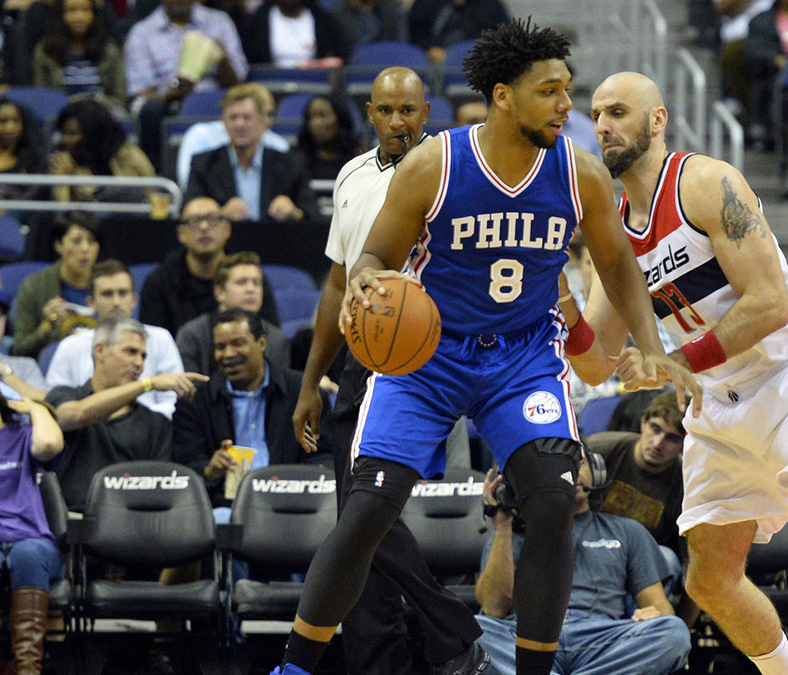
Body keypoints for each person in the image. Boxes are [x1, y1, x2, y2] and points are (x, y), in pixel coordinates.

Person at [274, 20, 697, 675]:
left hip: (522, 359)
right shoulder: (434, 164)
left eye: (569, 90)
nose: (566, 105)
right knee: (367, 511)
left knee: (555, 502)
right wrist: (368, 285)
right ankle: (295, 666)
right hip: (427, 359)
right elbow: (374, 257)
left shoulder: (579, 173)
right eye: (550, 91)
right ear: (503, 95)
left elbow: (618, 267)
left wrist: (651, 346)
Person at [578, 71, 788, 675]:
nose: (603, 126)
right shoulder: (611, 233)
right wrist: (564, 308)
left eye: (618, 112)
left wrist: (674, 361)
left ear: (657, 120)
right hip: (717, 403)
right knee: (708, 582)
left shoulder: (705, 182)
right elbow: (597, 361)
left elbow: (768, 304)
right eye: (595, 115)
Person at [289, 66, 492, 675]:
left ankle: (454, 634)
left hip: (423, 359)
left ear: (426, 113)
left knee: (363, 513)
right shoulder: (351, 174)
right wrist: (308, 383)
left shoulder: (453, 172)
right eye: (386, 110)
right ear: (371, 114)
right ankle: (387, 662)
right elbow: (335, 282)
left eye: (409, 111)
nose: (399, 122)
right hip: (360, 357)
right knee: (360, 528)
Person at [474, 454, 692, 675]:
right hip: (527, 636)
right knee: (475, 630)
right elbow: (494, 609)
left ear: (596, 470)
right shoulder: (510, 533)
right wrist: (502, 527)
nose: (570, 473)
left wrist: (655, 615)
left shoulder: (627, 531)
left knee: (674, 632)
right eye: (557, 466)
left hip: (603, 639)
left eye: (579, 463)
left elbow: (660, 607)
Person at [173, 308, 331, 511]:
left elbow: (326, 454)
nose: (228, 354)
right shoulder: (195, 400)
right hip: (224, 506)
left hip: (295, 502)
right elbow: (186, 465)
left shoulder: (304, 393)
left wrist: (301, 480)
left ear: (262, 343)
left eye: (238, 343)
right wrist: (209, 470)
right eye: (220, 347)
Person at [45, 316, 207, 509]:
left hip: (131, 527)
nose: (139, 363)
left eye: (143, 356)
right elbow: (75, 415)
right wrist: (148, 383)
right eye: (131, 352)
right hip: (70, 524)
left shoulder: (155, 423)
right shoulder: (63, 395)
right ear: (100, 350)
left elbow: (159, 491)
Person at [0, 362, 64, 674]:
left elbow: (49, 445)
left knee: (28, 553)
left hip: (31, 539)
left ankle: (28, 668)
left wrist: (34, 407)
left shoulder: (24, 436)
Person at [45, 260, 184, 418]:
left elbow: (174, 401)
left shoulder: (160, 338)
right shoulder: (70, 346)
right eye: (107, 294)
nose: (116, 302)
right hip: (88, 430)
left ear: (134, 300)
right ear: (91, 303)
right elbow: (57, 403)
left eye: (123, 293)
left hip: (150, 433)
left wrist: (137, 423)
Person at [123, 0, 249, 167]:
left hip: (217, 100)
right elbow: (140, 91)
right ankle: (158, 172)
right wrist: (177, 89)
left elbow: (238, 81)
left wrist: (220, 57)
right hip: (168, 104)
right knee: (151, 111)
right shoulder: (142, 32)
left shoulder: (219, 21)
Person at [139, 196, 281, 335]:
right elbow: (153, 344)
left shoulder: (250, 279)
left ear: (227, 229)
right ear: (181, 233)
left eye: (212, 219)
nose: (204, 227)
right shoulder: (159, 282)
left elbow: (271, 336)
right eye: (194, 221)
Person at [184, 83, 318, 223]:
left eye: (247, 117)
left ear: (264, 120)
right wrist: (218, 214)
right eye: (233, 117)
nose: (240, 124)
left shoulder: (292, 164)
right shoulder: (204, 164)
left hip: (277, 241)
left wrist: (294, 212)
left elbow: (315, 216)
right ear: (223, 122)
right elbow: (187, 213)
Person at [582, 390, 685, 554]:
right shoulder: (600, 449)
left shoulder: (685, 484)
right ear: (643, 422)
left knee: (668, 558)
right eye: (655, 428)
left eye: (672, 438)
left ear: (685, 444)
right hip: (587, 541)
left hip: (640, 557)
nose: (658, 443)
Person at [174, 251, 289, 374]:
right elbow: (190, 387)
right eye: (241, 282)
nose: (251, 289)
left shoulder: (276, 338)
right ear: (219, 293)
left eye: (256, 283)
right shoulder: (192, 334)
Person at [11, 212, 101, 358]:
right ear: (59, 245)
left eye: (92, 241)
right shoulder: (35, 286)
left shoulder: (110, 285)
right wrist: (47, 327)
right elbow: (19, 350)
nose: (85, 249)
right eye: (76, 241)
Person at [175, 82, 289, 187]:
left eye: (270, 114)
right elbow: (188, 183)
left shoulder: (279, 145)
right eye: (235, 117)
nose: (267, 121)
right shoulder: (200, 135)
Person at [48, 99, 154, 204]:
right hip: (87, 220)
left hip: (130, 219)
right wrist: (61, 182)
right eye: (64, 133)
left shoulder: (130, 155)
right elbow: (61, 213)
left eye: (72, 134)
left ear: (93, 133)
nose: (66, 140)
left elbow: (152, 197)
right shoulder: (65, 163)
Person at [32, 0, 125, 108]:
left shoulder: (109, 49)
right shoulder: (46, 49)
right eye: (72, 10)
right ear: (61, 14)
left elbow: (120, 99)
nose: (79, 17)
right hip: (60, 116)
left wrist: (90, 103)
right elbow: (41, 97)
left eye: (85, 10)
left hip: (102, 115)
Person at [241, 0, 346, 66]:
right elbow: (250, 61)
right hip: (270, 83)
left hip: (313, 86)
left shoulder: (323, 20)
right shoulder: (257, 21)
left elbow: (339, 55)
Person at [407, 0, 509, 64]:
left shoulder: (491, 5)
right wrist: (429, 48)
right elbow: (414, 32)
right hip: (434, 62)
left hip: (481, 63)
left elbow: (505, 37)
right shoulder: (426, 4)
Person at [294, 93, 364, 181]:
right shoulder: (299, 161)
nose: (316, 123)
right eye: (311, 118)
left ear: (339, 118)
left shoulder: (357, 159)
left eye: (322, 116)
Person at [331, 0, 404, 53]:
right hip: (350, 68)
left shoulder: (392, 11)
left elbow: (402, 49)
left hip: (384, 65)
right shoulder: (336, 13)